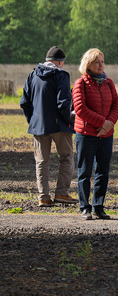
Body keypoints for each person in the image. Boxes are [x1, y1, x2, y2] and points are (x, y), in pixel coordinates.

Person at [20, 46, 75, 207]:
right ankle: (61, 193)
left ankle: (43, 196)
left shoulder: (33, 74)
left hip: (38, 125)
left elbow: (24, 102)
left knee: (41, 161)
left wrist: (33, 121)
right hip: (59, 125)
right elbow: (63, 103)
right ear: (59, 62)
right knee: (66, 157)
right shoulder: (61, 75)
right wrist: (69, 121)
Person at [71, 48, 118, 220]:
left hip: (106, 134)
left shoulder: (109, 83)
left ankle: (98, 206)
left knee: (103, 171)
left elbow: (116, 106)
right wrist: (102, 122)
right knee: (84, 172)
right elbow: (80, 109)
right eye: (97, 62)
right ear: (88, 64)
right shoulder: (80, 83)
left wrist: (109, 125)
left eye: (102, 62)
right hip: (86, 134)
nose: (101, 65)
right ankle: (85, 207)